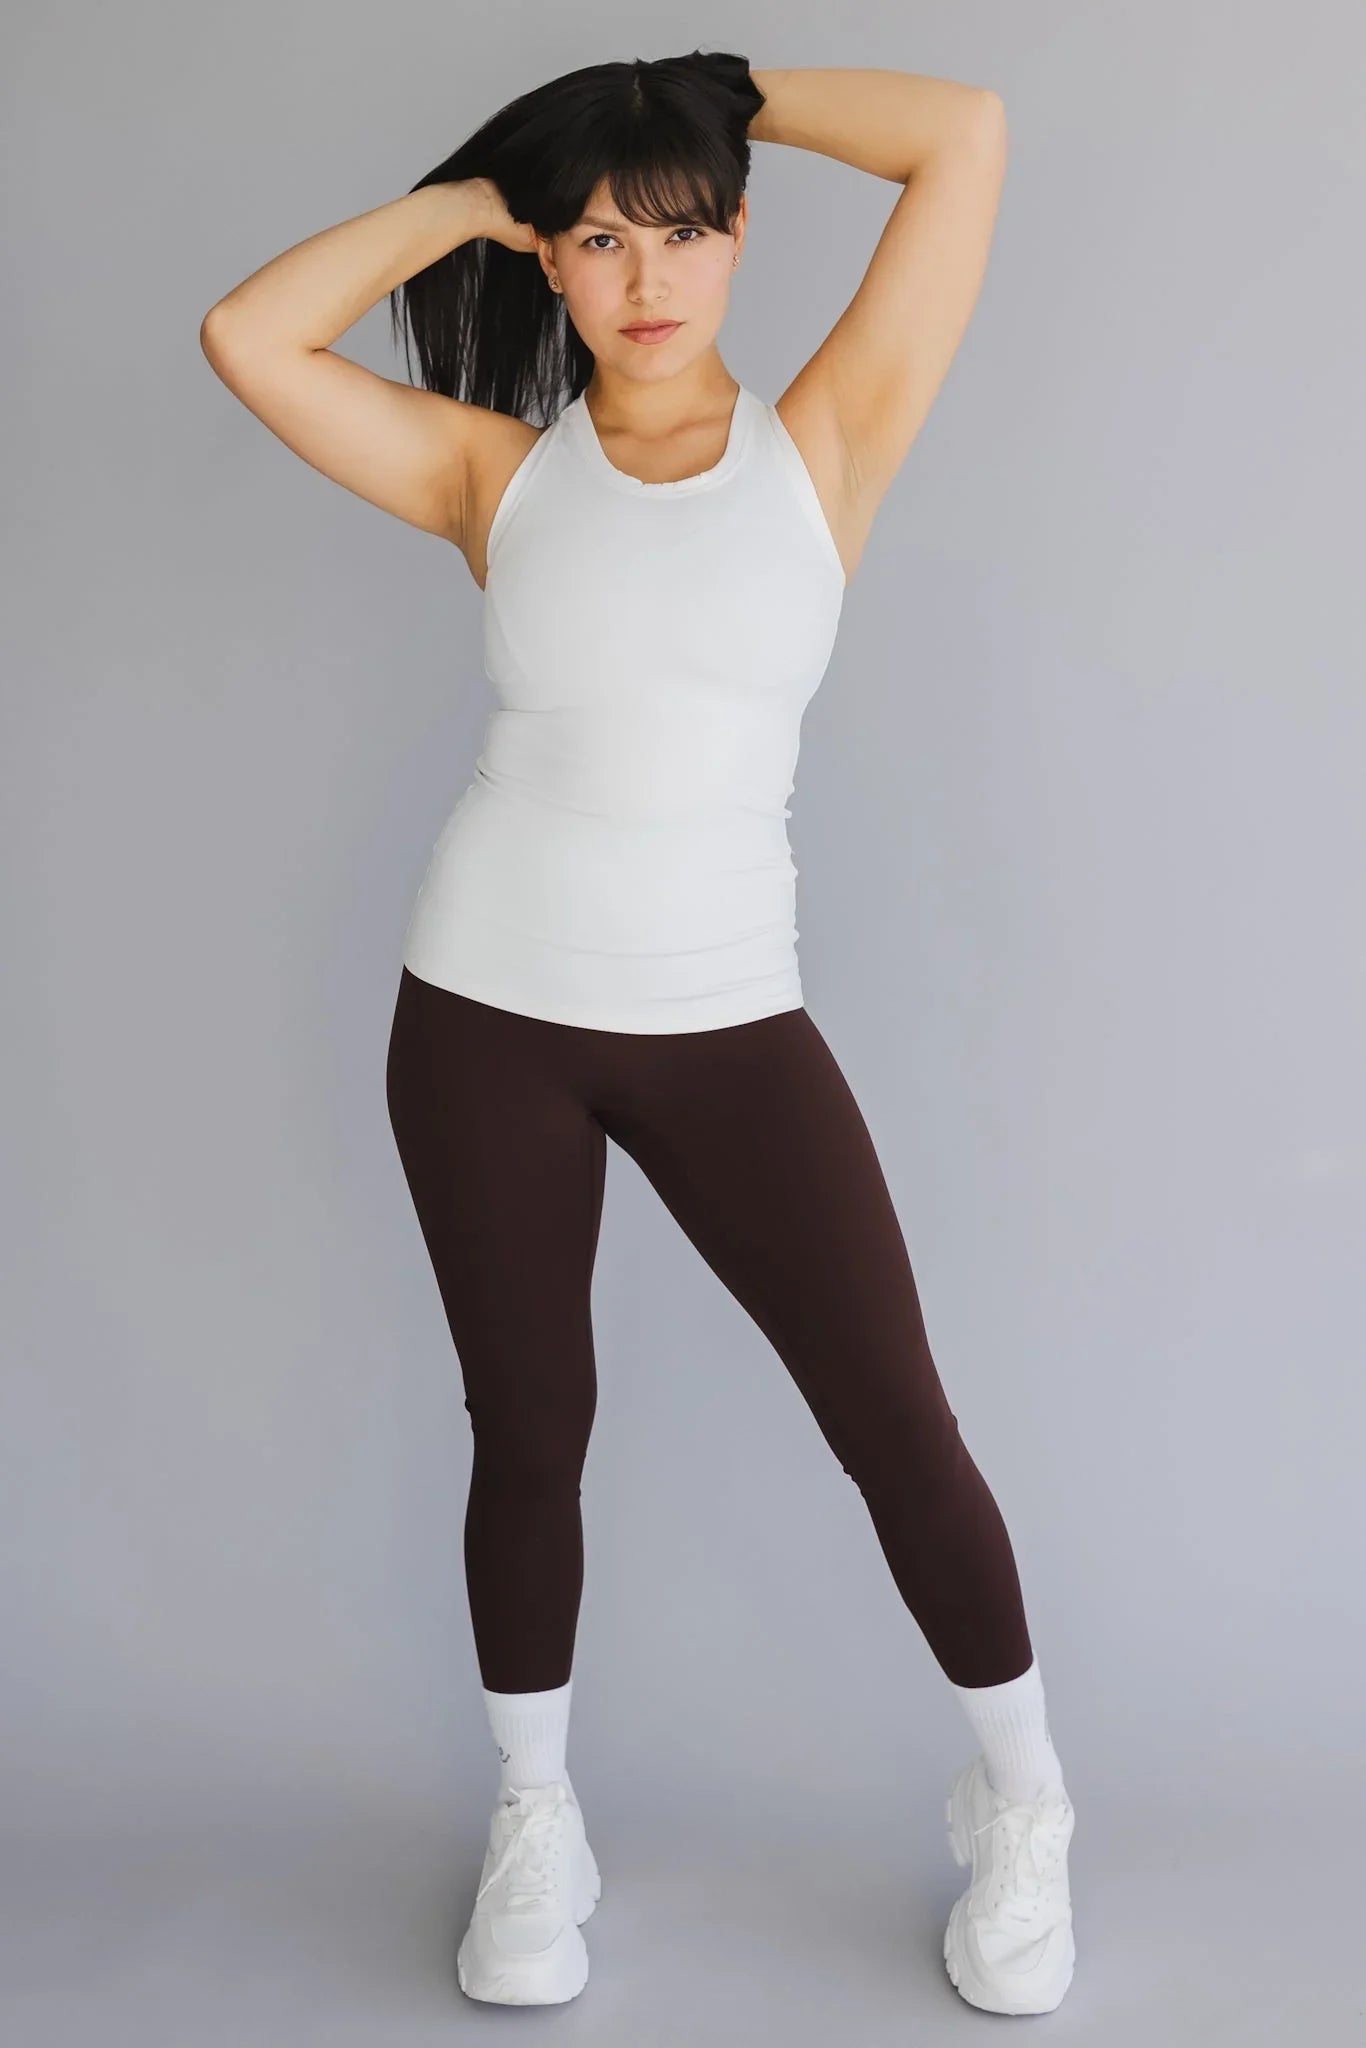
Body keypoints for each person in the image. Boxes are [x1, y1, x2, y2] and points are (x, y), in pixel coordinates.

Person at [200, 49, 1075, 2019]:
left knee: (894, 1424)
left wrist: (719, 86)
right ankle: (536, 1813)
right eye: (598, 241)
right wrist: (467, 204)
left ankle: (1023, 1804)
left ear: (735, 240)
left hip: (724, 1020)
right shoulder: (489, 473)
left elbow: (963, 139)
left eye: (679, 229)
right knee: (529, 1431)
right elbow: (244, 335)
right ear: (557, 267)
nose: (645, 274)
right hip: (485, 1011)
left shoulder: (828, 439)